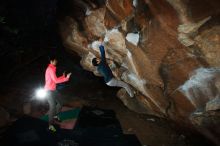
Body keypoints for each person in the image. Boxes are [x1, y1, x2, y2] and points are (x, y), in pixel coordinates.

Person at [44, 55, 71, 132]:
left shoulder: (52, 68)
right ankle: (50, 125)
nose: (56, 62)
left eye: (56, 60)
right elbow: (55, 81)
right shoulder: (50, 69)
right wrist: (66, 78)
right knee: (52, 107)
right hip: (48, 91)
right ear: (51, 61)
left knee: (60, 103)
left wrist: (62, 76)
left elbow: (54, 79)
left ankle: (55, 116)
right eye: (55, 60)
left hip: (53, 89)